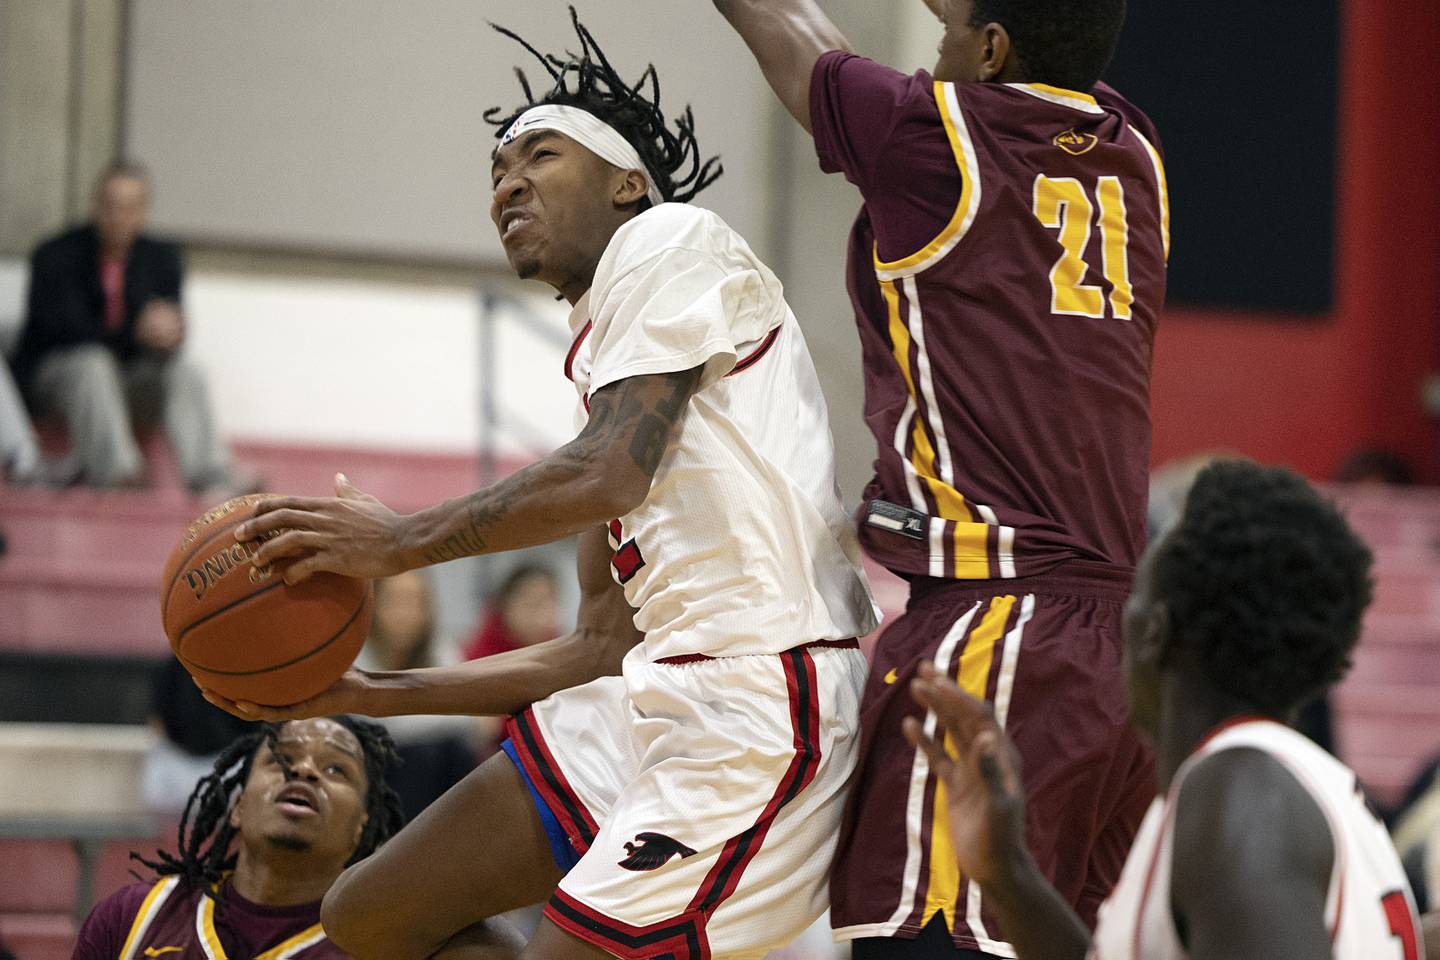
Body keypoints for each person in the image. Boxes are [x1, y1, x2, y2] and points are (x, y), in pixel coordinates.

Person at [205, 10, 877, 960]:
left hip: (763, 701)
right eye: (496, 173)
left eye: (540, 158)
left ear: (626, 182)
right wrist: (366, 690)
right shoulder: (605, 371)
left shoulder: (671, 241)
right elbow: (599, 644)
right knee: (371, 913)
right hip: (653, 692)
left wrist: (399, 541)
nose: (507, 185)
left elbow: (610, 471)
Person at [708, 0, 1166, 954]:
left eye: (951, 25)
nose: (934, 41)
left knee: (922, 943)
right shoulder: (1135, 148)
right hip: (1124, 652)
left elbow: (791, 32)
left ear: (993, 49)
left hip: (1000, 634)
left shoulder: (939, 141)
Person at [905, 460, 1425, 959]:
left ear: (1155, 632)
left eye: (1131, 601)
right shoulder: (1274, 782)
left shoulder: (1240, 795)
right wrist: (1007, 874)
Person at [72, 716, 405, 960]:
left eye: (336, 769)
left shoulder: (379, 948)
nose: (304, 771)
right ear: (239, 805)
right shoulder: (132, 917)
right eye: (281, 759)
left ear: (362, 826)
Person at [10, 161, 243, 493]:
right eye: (111, 205)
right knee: (92, 361)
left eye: (129, 207)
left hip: (127, 382)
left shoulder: (162, 258)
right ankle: (119, 473)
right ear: (96, 205)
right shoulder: (55, 255)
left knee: (186, 370)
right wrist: (136, 331)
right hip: (60, 381)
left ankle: (211, 477)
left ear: (143, 212)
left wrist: (168, 335)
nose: (118, 215)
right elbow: (66, 331)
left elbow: (168, 328)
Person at [358, 571, 481, 818]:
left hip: (430, 780)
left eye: (414, 601)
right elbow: (357, 727)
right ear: (373, 604)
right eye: (394, 600)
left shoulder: (443, 652)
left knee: (450, 754)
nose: (404, 613)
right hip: (371, 777)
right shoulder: (354, 654)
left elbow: (467, 723)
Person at [462, 565, 562, 662]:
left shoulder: (562, 656)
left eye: (550, 604)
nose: (542, 617)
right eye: (532, 604)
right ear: (504, 606)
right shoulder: (468, 662)